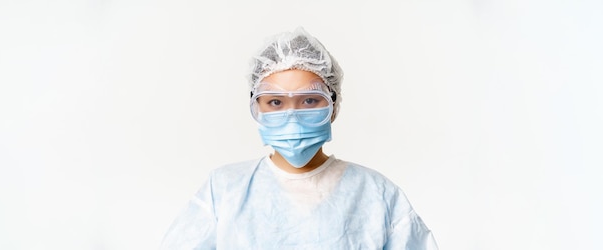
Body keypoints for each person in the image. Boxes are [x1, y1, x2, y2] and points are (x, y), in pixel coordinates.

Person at [160, 27, 438, 250]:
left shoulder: (378, 195)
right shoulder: (223, 191)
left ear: (333, 105)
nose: (292, 116)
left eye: (308, 100)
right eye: (276, 102)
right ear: (257, 107)